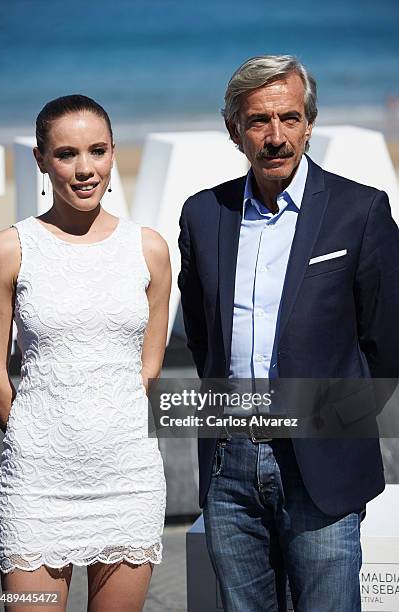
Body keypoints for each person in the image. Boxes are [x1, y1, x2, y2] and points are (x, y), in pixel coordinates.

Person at [178, 55, 399, 611]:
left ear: (309, 121)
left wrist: (336, 422)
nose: (276, 136)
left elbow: (387, 343)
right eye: (259, 121)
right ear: (235, 131)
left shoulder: (362, 211)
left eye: (290, 118)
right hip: (230, 468)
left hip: (321, 465)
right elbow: (206, 342)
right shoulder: (203, 215)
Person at [0, 94, 171, 612]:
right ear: (41, 160)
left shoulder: (149, 249)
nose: (85, 169)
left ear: (115, 153)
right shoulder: (10, 249)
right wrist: (33, 437)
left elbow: (149, 365)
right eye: (67, 154)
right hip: (36, 488)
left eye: (97, 151)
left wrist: (107, 426)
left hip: (127, 481)